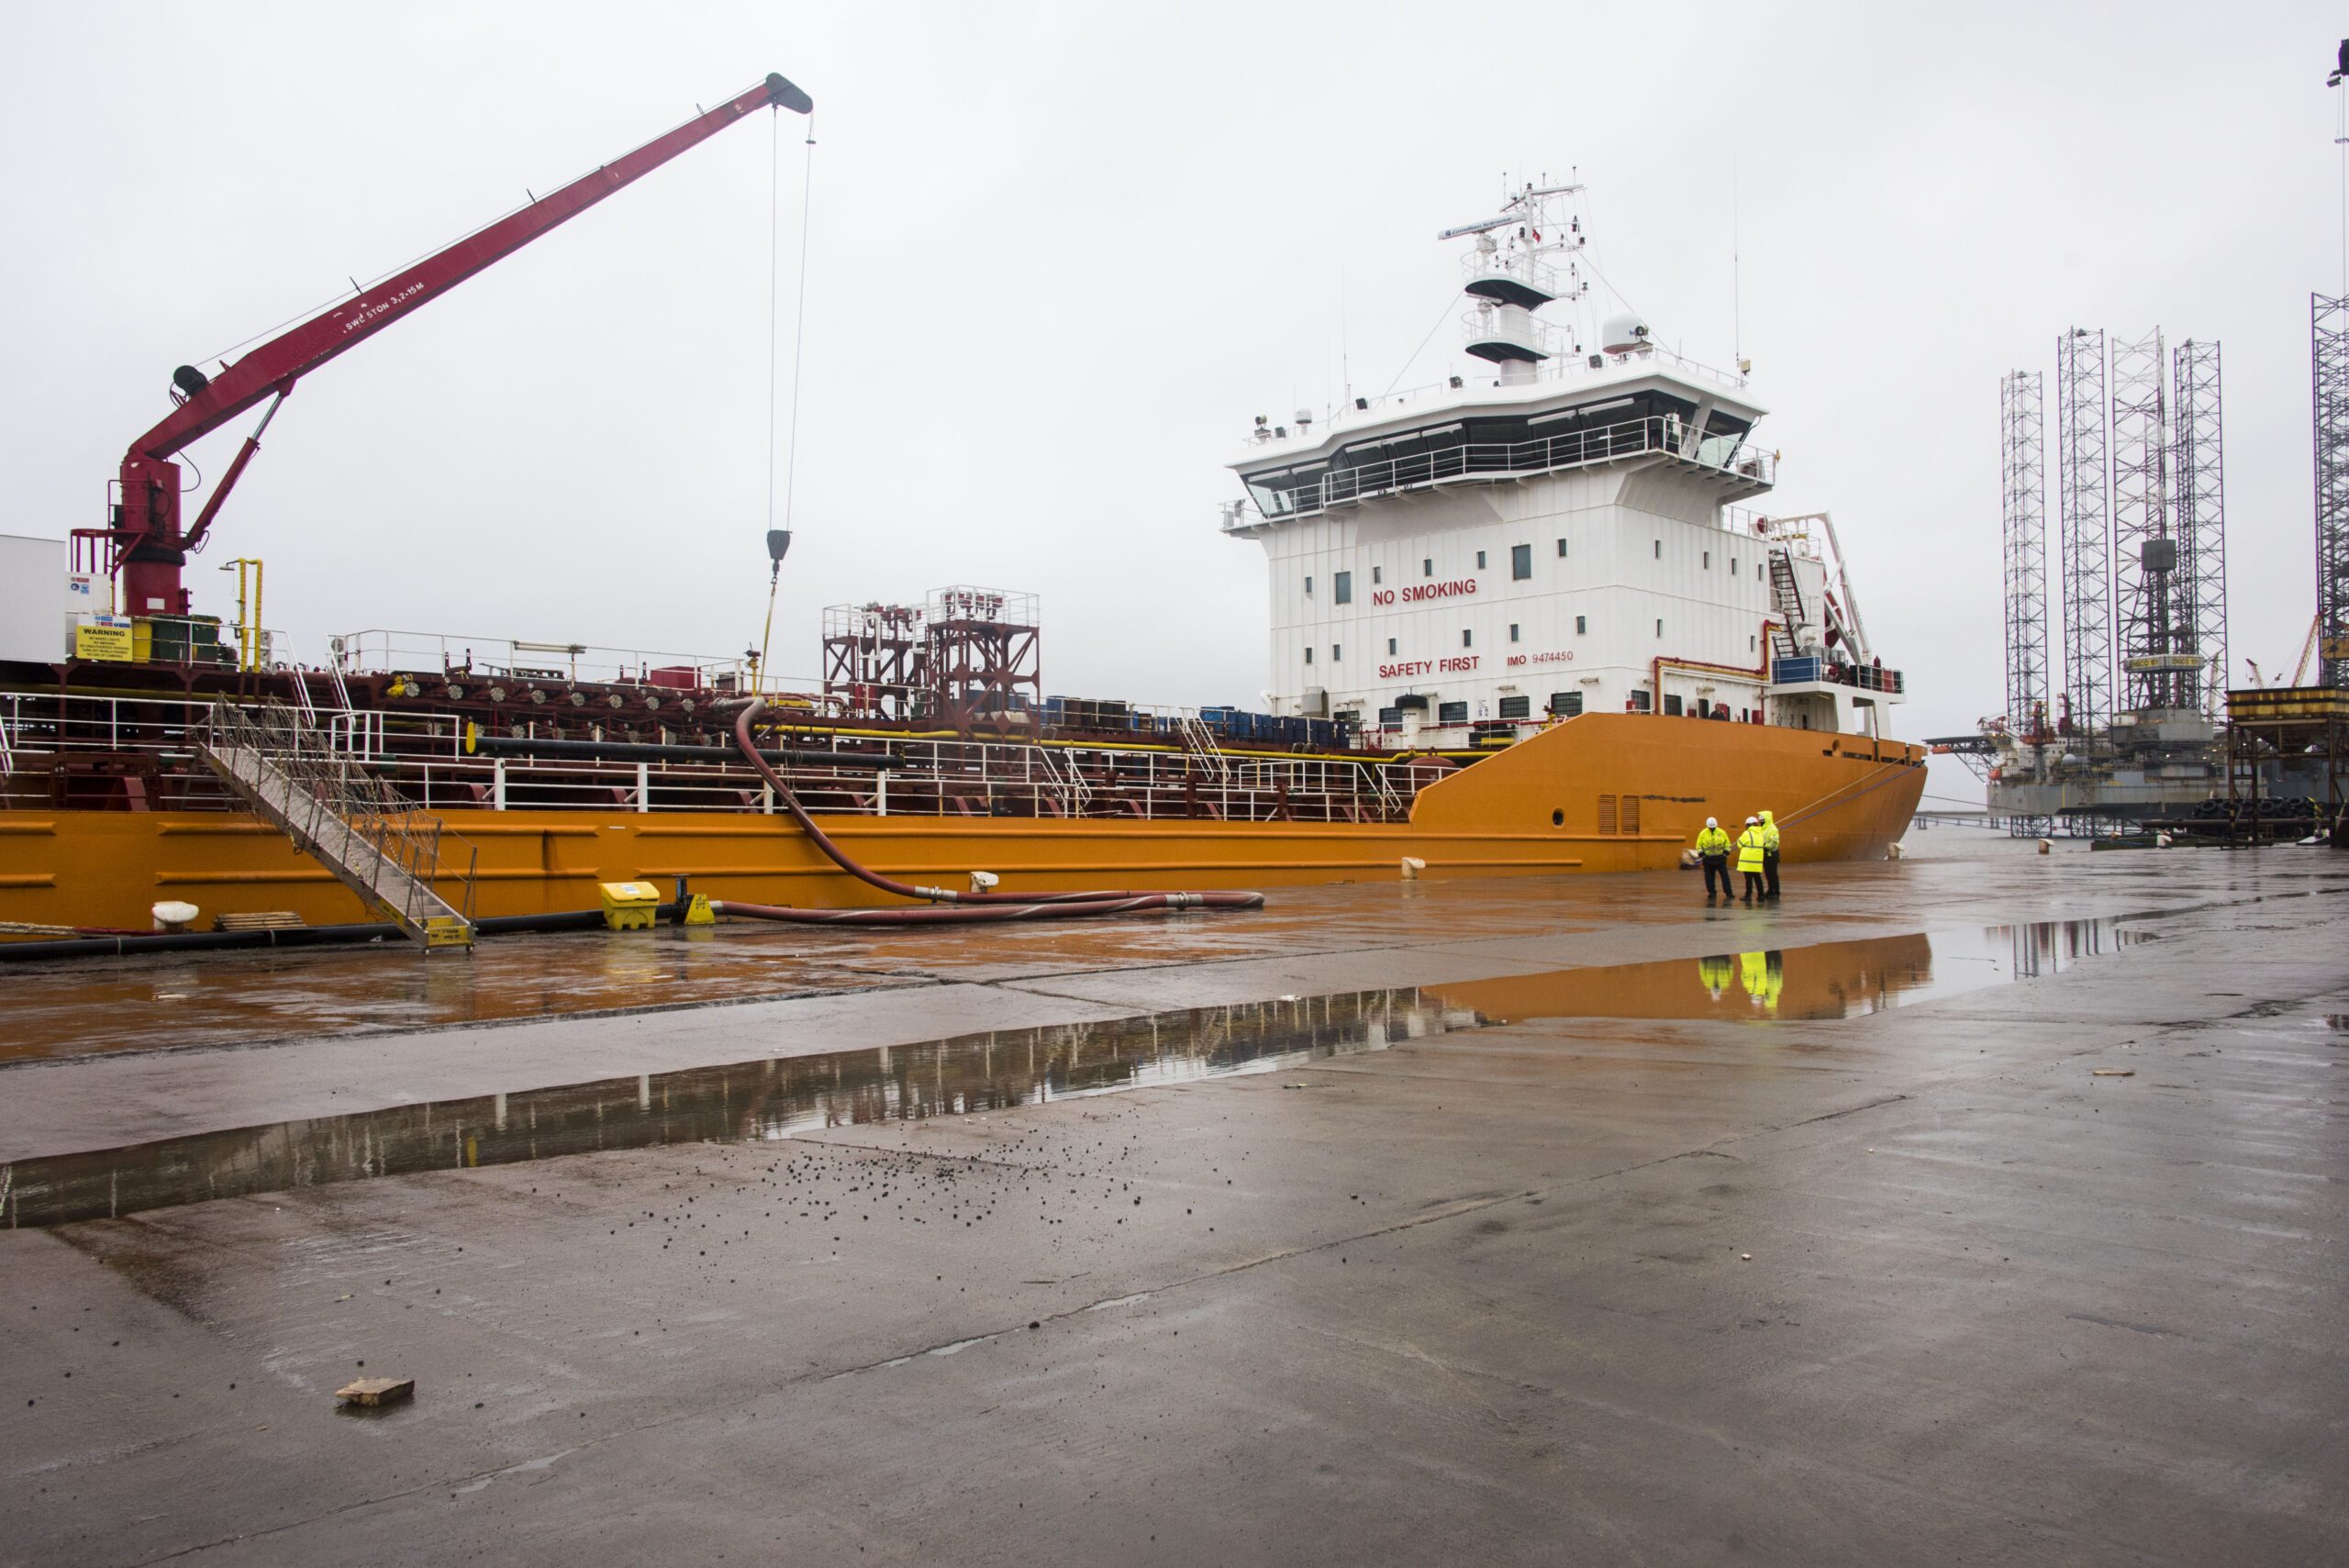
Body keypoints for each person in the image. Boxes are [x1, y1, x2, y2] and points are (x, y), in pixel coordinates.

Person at [1694, 816, 1732, 901]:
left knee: (1725, 877)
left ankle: (1729, 893)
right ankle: (1712, 893)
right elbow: (1698, 846)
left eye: (1713, 827)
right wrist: (1703, 855)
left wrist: (1724, 855)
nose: (1712, 829)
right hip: (1708, 859)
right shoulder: (1703, 833)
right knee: (1709, 877)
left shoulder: (1722, 832)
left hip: (1720, 859)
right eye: (1710, 828)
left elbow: (1727, 845)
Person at [1734, 816, 1767, 903]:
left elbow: (1739, 844)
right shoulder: (1761, 833)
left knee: (1748, 879)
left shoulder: (1747, 833)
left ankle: (1748, 895)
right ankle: (1761, 895)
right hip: (1757, 861)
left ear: (1748, 825)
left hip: (1747, 861)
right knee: (1757, 878)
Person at [1760, 809, 1782, 900]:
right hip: (1766, 854)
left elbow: (1774, 842)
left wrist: (1765, 846)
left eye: (1762, 820)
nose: (1760, 822)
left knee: (1773, 874)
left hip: (1771, 854)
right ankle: (1770, 890)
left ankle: (1775, 891)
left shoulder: (1772, 829)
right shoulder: (1763, 829)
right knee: (1768, 873)